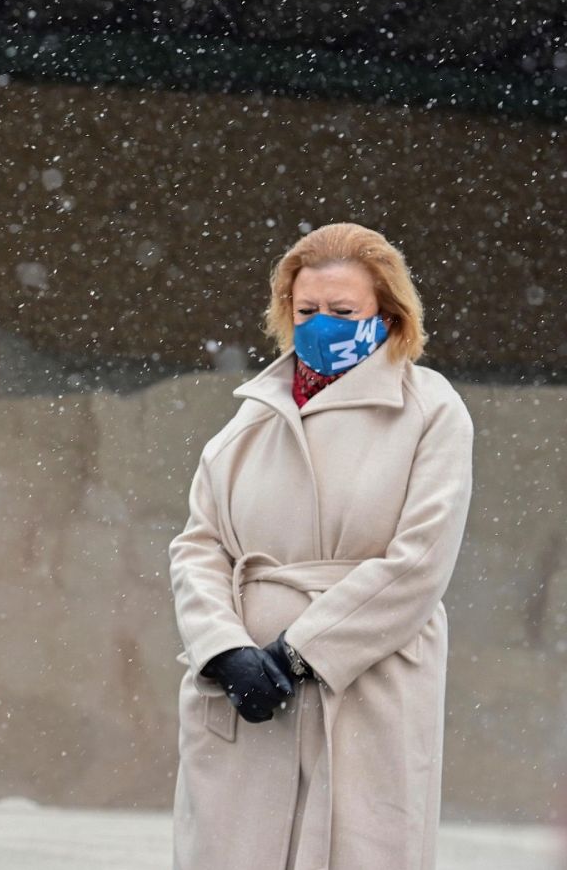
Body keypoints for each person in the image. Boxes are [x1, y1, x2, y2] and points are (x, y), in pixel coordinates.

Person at [169, 222, 473, 870]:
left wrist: (297, 654)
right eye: (307, 311)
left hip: (364, 692)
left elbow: (419, 561)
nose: (321, 326)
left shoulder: (429, 410)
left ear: (386, 312)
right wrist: (227, 655)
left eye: (342, 311)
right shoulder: (249, 418)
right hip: (243, 704)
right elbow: (199, 547)